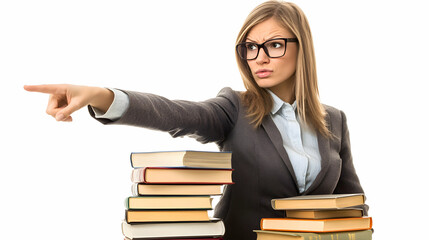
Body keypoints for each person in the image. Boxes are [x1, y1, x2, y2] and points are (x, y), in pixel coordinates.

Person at [24, 1, 367, 240]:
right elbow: (174, 113)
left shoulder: (334, 121)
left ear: (301, 48)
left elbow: (353, 205)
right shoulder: (235, 108)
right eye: (249, 47)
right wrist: (101, 95)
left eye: (274, 45)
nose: (258, 58)